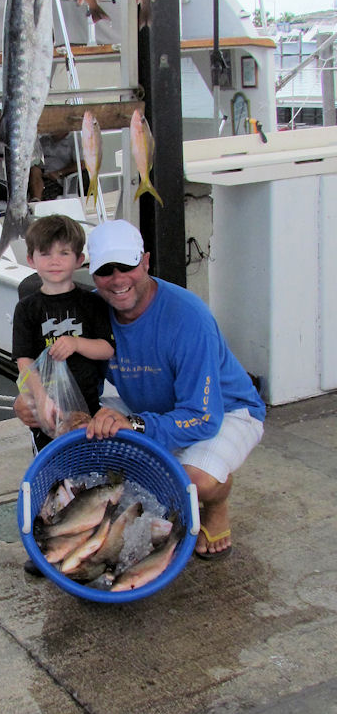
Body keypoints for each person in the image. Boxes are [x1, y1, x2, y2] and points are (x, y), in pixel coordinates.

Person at [84, 218, 266, 561]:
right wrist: (31, 396)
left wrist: (134, 424)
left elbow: (202, 417)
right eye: (106, 270)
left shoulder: (189, 318)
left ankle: (217, 501)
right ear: (93, 275)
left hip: (225, 411)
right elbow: (59, 369)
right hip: (153, 407)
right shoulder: (90, 310)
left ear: (146, 262)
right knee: (77, 433)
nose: (118, 279)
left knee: (192, 481)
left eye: (127, 266)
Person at [12, 214, 115, 454]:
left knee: (89, 460)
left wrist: (76, 343)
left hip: (89, 408)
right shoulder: (26, 309)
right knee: (52, 464)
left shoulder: (93, 303)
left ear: (79, 260)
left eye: (64, 253)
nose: (54, 261)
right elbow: (24, 361)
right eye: (45, 254)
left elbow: (107, 348)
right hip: (47, 409)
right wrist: (41, 399)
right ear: (31, 260)